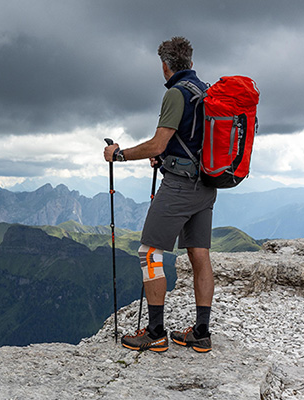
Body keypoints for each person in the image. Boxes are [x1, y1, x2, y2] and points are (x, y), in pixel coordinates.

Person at [103, 36, 215, 353]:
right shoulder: (205, 91)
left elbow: (157, 144)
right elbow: (191, 140)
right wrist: (166, 156)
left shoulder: (177, 94)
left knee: (149, 253)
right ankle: (202, 333)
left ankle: (155, 333)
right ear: (190, 63)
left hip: (180, 187)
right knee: (199, 254)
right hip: (207, 185)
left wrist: (119, 154)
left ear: (165, 66)